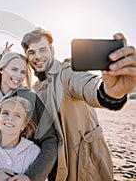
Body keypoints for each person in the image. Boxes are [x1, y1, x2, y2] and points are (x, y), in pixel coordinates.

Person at [21, 27, 136, 181]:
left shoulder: (66, 72)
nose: (38, 56)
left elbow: (90, 86)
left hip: (84, 167)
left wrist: (111, 92)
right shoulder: (35, 88)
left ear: (52, 51)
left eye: (43, 50)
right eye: (32, 52)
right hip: (53, 170)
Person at [0, 52, 58, 181]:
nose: (18, 76)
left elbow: (50, 140)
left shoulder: (31, 99)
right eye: (14, 69)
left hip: (23, 172)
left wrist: (31, 177)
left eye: (22, 72)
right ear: (2, 70)